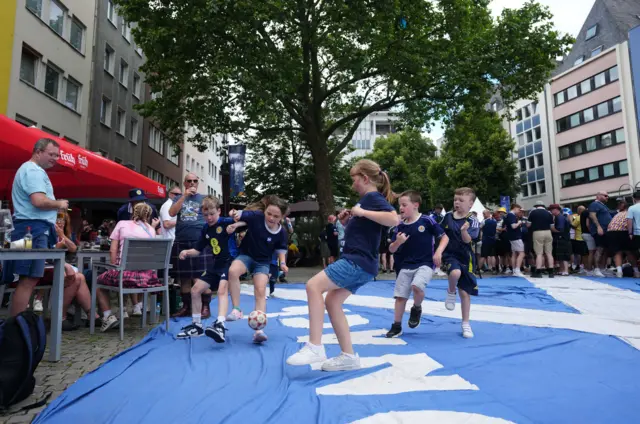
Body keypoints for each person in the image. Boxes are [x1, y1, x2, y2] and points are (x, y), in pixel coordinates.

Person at [287, 159, 396, 371]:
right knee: (333, 302)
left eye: (354, 179)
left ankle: (315, 345)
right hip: (364, 264)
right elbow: (368, 230)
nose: (352, 184)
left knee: (313, 286)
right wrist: (348, 222)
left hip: (356, 261)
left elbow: (393, 219)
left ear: (365, 178)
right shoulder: (367, 200)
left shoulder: (371, 198)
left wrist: (363, 213)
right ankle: (348, 356)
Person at [1, 138, 68, 316]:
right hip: (33, 229)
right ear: (38, 152)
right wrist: (59, 203)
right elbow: (38, 201)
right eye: (51, 154)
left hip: (32, 228)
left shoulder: (30, 170)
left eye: (57, 155)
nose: (55, 159)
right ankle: (16, 327)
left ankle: (17, 325)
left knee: (28, 279)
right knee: (29, 279)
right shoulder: (33, 171)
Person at [226, 195, 289, 343]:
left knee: (260, 290)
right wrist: (234, 214)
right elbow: (242, 214)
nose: (271, 218)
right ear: (264, 210)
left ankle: (259, 330)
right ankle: (236, 309)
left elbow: (281, 249)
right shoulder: (257, 216)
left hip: (263, 262)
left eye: (276, 216)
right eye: (269, 214)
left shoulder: (281, 232)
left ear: (282, 217)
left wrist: (283, 263)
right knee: (233, 271)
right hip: (246, 255)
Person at [385, 191, 448, 338]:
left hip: (425, 263)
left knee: (417, 286)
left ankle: (416, 308)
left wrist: (438, 252)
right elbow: (391, 249)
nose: (400, 207)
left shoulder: (427, 221)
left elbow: (444, 237)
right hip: (405, 265)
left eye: (404, 205)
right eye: (399, 205)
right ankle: (396, 325)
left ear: (415, 205)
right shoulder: (399, 227)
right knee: (400, 297)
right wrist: (398, 242)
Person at [176, 196, 236, 341]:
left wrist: (236, 224)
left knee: (222, 290)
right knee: (195, 290)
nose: (209, 218)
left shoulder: (225, 222)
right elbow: (197, 250)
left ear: (219, 211)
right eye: (205, 215)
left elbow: (246, 222)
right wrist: (186, 252)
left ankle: (220, 325)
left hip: (229, 263)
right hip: (215, 265)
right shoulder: (205, 228)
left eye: (212, 214)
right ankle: (197, 326)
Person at [97, 203, 161, 332]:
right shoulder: (151, 230)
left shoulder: (121, 224)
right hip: (146, 278)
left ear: (133, 213)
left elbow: (112, 250)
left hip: (125, 275)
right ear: (148, 215)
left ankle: (107, 316)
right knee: (123, 278)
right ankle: (128, 309)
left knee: (98, 282)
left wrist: (114, 267)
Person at [169, 173, 212, 318]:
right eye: (189, 181)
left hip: (199, 241)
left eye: (195, 180)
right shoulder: (177, 198)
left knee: (201, 276)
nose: (192, 183)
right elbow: (172, 212)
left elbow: (210, 216)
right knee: (185, 277)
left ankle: (205, 307)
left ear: (198, 183)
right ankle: (187, 307)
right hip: (182, 240)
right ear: (185, 183)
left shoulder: (204, 198)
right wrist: (184, 197)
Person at [442, 187, 480, 339]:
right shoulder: (448, 217)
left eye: (461, 200)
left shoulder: (473, 220)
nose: (457, 202)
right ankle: (451, 291)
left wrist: (464, 231)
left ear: (470, 204)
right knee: (455, 272)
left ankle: (466, 323)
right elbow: (439, 233)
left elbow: (469, 240)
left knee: (465, 292)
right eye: (455, 200)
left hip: (466, 257)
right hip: (450, 255)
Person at [607, 199, 634, 278]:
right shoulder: (630, 212)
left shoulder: (617, 214)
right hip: (622, 231)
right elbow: (630, 223)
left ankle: (619, 271)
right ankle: (636, 270)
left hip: (611, 232)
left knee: (617, 252)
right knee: (629, 251)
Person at [528, 201, 554, 278]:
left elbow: (528, 225)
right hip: (548, 232)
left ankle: (538, 271)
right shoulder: (549, 213)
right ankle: (551, 272)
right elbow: (552, 226)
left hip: (537, 232)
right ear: (543, 206)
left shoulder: (533, 212)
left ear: (536, 206)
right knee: (549, 253)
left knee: (539, 253)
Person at [589, 192, 611, 277]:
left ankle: (602, 268)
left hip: (606, 230)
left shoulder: (603, 206)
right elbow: (592, 215)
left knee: (605, 250)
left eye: (608, 196)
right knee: (600, 249)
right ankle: (596, 269)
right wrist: (598, 227)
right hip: (600, 230)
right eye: (605, 195)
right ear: (598, 196)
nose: (607, 197)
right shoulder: (595, 204)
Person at [504, 204, 525, 277]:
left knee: (514, 253)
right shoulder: (511, 215)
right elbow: (513, 226)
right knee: (521, 253)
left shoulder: (508, 215)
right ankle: (517, 270)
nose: (519, 211)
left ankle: (514, 270)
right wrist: (519, 222)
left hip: (511, 236)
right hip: (516, 236)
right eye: (519, 209)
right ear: (515, 208)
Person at [549, 204, 571, 276]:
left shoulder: (560, 218)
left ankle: (565, 270)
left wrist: (552, 229)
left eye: (551, 210)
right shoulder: (560, 217)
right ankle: (562, 270)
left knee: (563, 255)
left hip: (562, 238)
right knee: (561, 255)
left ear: (556, 209)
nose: (551, 211)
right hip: (563, 238)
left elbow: (560, 229)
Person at [626, 192, 640, 278]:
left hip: (637, 233)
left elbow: (629, 221)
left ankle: (636, 272)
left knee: (633, 252)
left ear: (634, 199)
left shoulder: (632, 208)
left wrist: (630, 232)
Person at [571, 206, 588, 274]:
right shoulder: (587, 216)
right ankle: (586, 266)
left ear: (580, 211)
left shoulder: (578, 217)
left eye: (578, 210)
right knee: (587, 253)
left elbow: (573, 225)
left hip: (579, 237)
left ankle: (580, 266)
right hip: (587, 236)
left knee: (580, 254)